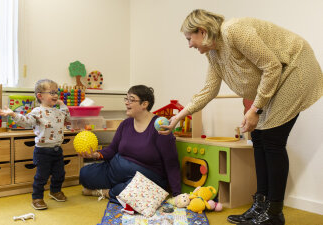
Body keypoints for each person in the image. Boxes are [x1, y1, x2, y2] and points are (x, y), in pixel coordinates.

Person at [160, 9, 322, 225]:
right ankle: (261, 204)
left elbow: (271, 66)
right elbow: (209, 89)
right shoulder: (213, 53)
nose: (190, 45)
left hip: (295, 67)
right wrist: (179, 116)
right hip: (278, 76)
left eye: (190, 39)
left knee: (272, 141)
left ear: (201, 31)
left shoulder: (233, 30)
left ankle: (274, 213)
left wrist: (254, 109)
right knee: (259, 139)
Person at [79, 85, 181, 205]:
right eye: (126, 99)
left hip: (146, 178)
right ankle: (116, 189)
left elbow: (171, 162)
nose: (127, 103)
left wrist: (177, 194)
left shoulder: (160, 127)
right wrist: (96, 155)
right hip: (116, 169)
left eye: (131, 99)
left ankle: (107, 192)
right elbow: (112, 149)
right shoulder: (125, 124)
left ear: (144, 104)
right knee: (85, 174)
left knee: (132, 191)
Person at [0, 79, 70, 210]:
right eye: (52, 92)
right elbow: (26, 122)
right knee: (41, 176)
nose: (55, 95)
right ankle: (37, 198)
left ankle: (55, 191)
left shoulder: (58, 111)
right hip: (43, 152)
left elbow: (67, 117)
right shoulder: (37, 111)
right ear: (40, 96)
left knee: (60, 174)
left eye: (56, 92)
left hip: (57, 150)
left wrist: (63, 105)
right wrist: (13, 114)